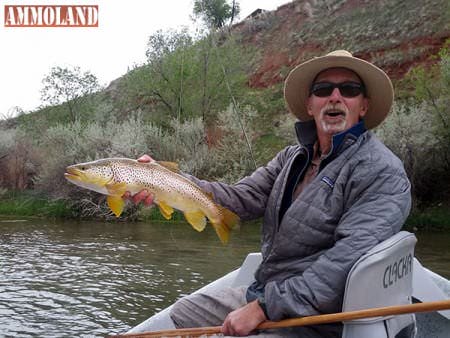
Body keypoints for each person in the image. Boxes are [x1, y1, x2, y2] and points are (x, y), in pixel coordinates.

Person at [128, 50, 412, 337]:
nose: (335, 97)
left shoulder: (382, 171)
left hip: (322, 318)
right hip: (269, 292)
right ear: (310, 105)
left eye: (349, 90)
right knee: (183, 312)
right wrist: (166, 181)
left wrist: (264, 308)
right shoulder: (291, 158)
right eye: (323, 89)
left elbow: (345, 262)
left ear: (363, 106)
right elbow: (239, 199)